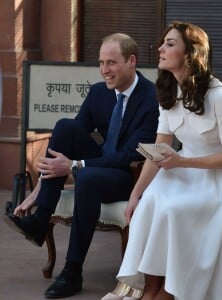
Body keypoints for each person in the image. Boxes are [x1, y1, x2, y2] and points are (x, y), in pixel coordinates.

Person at [3, 33, 159, 298]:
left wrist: (76, 166)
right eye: (101, 63)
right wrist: (39, 188)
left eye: (111, 63)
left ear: (131, 61)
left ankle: (72, 271)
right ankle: (41, 220)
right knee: (65, 127)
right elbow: (69, 140)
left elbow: (128, 156)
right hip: (99, 163)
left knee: (86, 178)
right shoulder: (100, 92)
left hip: (129, 176)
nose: (104, 70)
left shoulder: (150, 99)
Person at [101, 21, 222, 300]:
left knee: (174, 210)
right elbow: (160, 148)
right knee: (149, 205)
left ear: (190, 53)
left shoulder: (218, 95)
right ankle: (150, 289)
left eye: (170, 43)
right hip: (181, 170)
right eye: (163, 42)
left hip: (216, 181)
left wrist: (182, 163)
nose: (160, 48)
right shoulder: (169, 94)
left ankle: (171, 290)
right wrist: (135, 194)